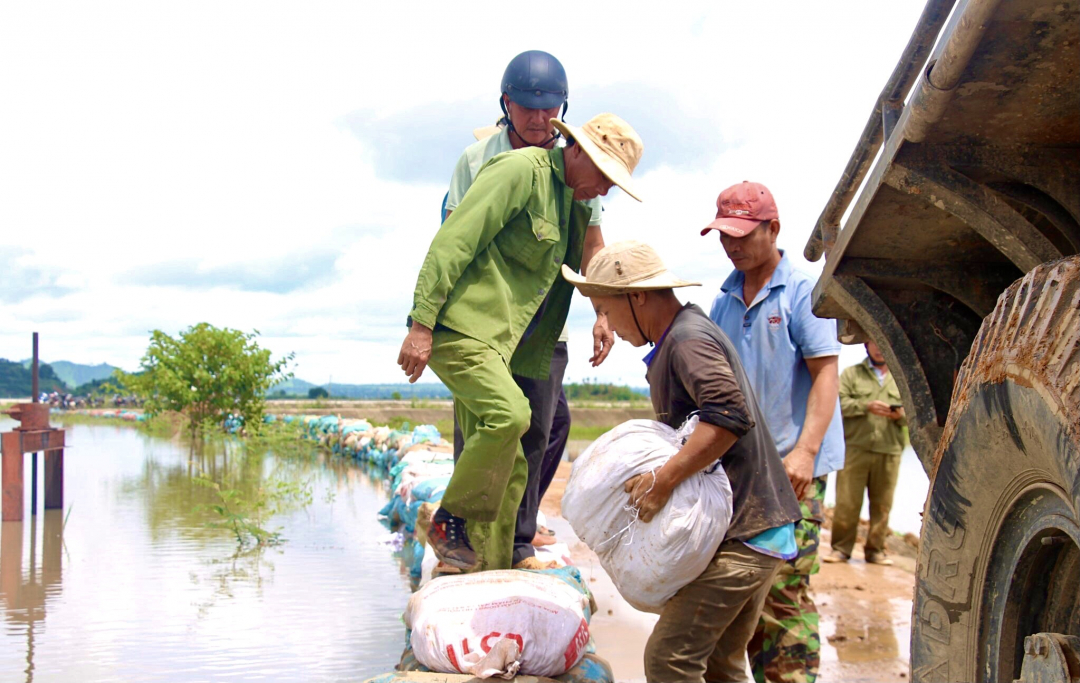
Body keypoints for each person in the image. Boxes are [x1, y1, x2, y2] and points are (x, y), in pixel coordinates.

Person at [399, 113, 643, 572]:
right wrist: (421, 323)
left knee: (512, 468)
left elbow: (590, 257)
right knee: (510, 415)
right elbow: (454, 240)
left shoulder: (574, 206)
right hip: (463, 329)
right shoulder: (520, 171)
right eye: (605, 176)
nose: (607, 191)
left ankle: (491, 566)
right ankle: (447, 520)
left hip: (507, 344)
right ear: (578, 151)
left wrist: (602, 311)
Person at [562, 241, 802, 682]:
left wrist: (664, 478)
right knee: (720, 664)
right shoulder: (683, 333)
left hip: (746, 534)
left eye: (606, 310)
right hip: (759, 527)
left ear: (637, 296)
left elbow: (729, 415)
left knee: (669, 658)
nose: (608, 325)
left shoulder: (688, 340)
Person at [443, 50, 612, 569]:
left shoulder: (579, 162)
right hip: (487, 319)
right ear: (505, 104)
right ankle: (460, 538)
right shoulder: (479, 160)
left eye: (550, 109)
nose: (539, 120)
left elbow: (593, 244)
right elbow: (453, 237)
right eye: (527, 108)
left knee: (543, 425)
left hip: (544, 320)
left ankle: (516, 539)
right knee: (484, 425)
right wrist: (433, 322)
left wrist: (603, 310)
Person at [703, 181, 845, 683]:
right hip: (748, 471)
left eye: (743, 234)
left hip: (794, 468)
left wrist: (806, 452)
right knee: (748, 589)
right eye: (724, 236)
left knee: (784, 590)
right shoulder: (722, 300)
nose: (732, 245)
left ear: (774, 229)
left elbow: (826, 372)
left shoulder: (803, 292)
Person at [825, 341, 906, 566]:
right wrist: (865, 406)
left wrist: (899, 415)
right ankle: (840, 549)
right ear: (866, 345)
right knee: (847, 501)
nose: (880, 347)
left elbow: (918, 416)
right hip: (855, 448)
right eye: (874, 343)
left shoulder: (903, 378)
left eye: (883, 342)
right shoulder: (851, 374)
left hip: (889, 450)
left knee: (882, 504)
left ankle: (876, 551)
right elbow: (837, 404)